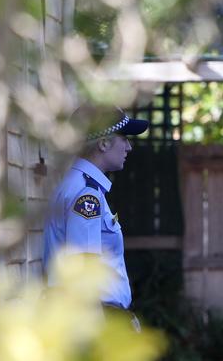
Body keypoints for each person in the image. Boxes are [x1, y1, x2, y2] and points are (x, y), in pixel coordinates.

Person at [42, 104, 148, 317]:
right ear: (104, 143)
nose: (129, 147)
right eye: (124, 138)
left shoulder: (79, 184)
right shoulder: (85, 193)